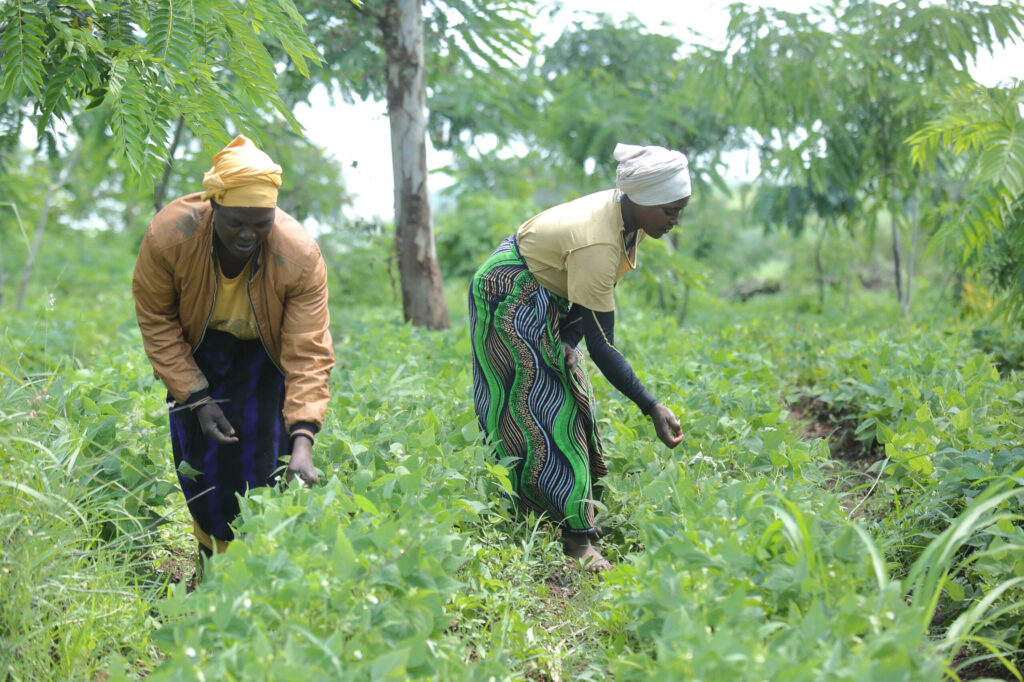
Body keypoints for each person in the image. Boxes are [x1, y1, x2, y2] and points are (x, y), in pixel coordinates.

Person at [468, 143, 689, 571]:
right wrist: (650, 406)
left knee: (568, 392)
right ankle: (574, 540)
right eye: (670, 210)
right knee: (545, 406)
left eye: (681, 209)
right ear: (643, 201)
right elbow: (604, 346)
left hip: (544, 290)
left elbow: (582, 304)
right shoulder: (599, 240)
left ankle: (559, 514)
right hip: (508, 291)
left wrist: (568, 339)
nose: (675, 220)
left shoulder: (627, 218)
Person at [132, 135, 334, 561]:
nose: (248, 234)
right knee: (198, 465)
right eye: (236, 222)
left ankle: (249, 573)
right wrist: (197, 397)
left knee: (262, 465)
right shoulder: (171, 236)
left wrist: (303, 440)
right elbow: (157, 320)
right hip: (198, 351)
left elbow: (308, 351)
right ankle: (209, 563)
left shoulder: (297, 254)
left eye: (260, 224)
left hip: (263, 357)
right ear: (214, 207)